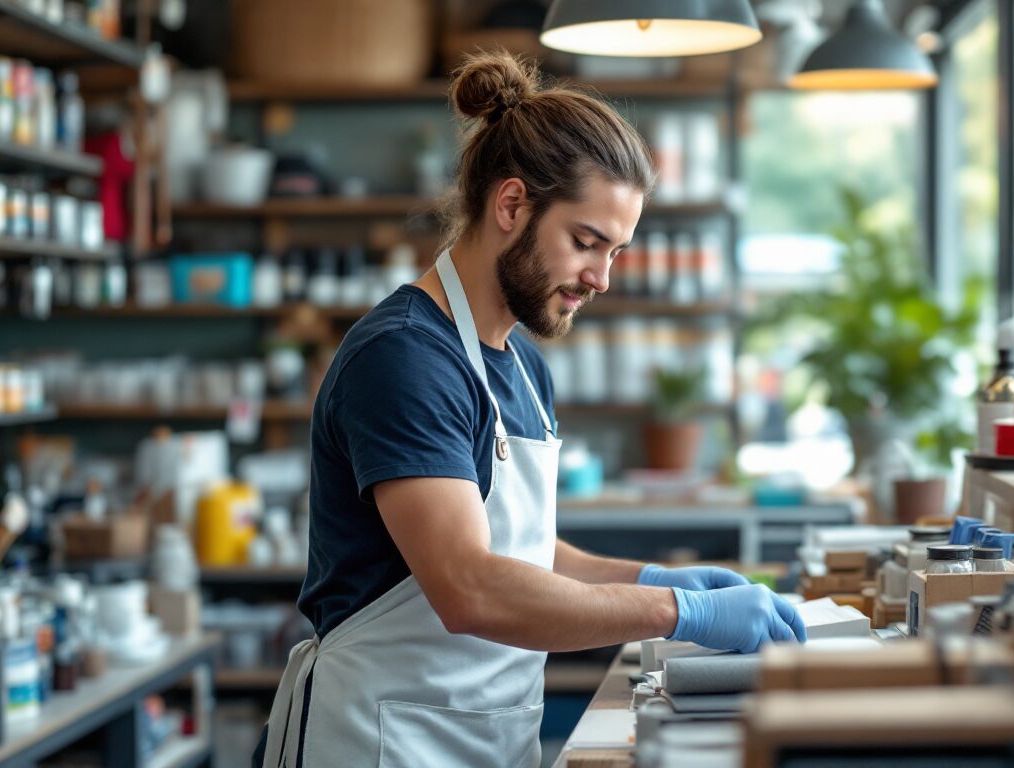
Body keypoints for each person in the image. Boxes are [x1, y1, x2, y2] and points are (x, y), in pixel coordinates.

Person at [258, 51, 806, 768]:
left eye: (616, 252)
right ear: (511, 206)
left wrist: (656, 579)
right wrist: (682, 614)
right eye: (587, 243)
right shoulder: (403, 358)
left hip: (487, 738)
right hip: (378, 741)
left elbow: (524, 556)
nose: (601, 278)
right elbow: (469, 587)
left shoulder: (521, 366)